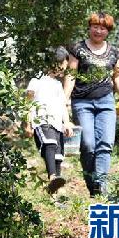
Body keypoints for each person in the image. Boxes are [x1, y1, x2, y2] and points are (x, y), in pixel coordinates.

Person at [63, 12, 119, 197]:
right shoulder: (78, 49)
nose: (98, 31)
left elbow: (117, 76)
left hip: (106, 101)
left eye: (103, 28)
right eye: (95, 26)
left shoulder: (115, 52)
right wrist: (64, 99)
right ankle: (92, 186)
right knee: (88, 144)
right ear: (89, 27)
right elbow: (71, 74)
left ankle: (101, 188)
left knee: (105, 143)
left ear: (108, 31)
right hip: (82, 101)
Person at [25, 47, 74, 194]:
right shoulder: (36, 80)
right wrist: (27, 123)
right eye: (63, 66)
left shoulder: (58, 85)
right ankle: (52, 177)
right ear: (55, 63)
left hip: (57, 124)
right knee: (49, 144)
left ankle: (56, 190)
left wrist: (67, 122)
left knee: (58, 157)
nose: (64, 70)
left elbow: (62, 105)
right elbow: (28, 103)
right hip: (41, 121)